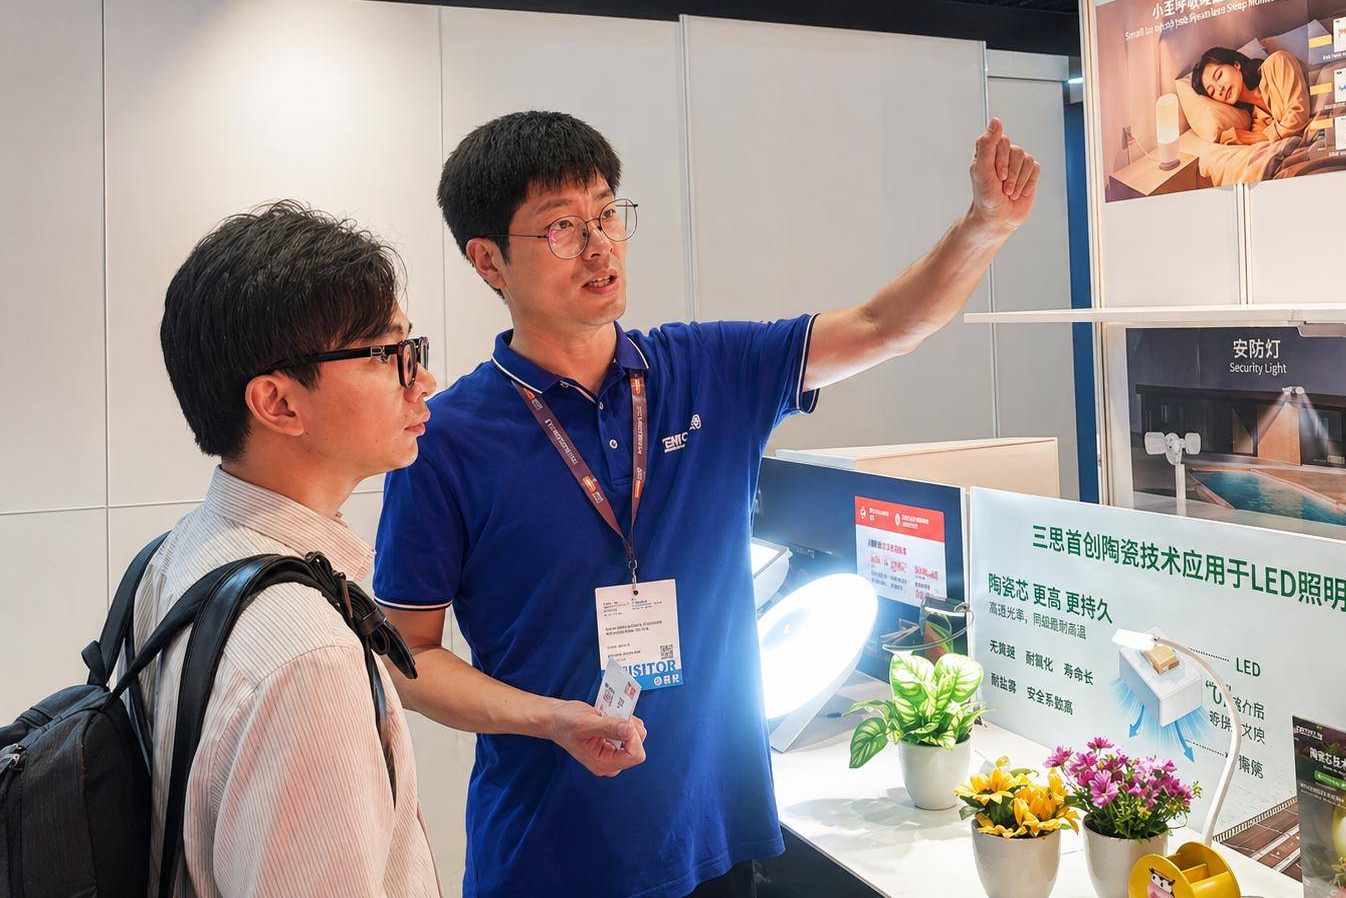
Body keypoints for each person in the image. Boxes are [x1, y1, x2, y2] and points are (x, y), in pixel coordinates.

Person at [373, 110, 1040, 897]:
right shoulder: (445, 439)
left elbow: (884, 326)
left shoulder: (707, 368)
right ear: (488, 260)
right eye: (561, 228)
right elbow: (407, 657)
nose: (599, 245)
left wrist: (984, 227)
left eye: (606, 213)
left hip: (715, 834)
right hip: (548, 853)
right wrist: (549, 717)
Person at [135, 201, 445, 897]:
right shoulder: (310, 658)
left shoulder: (174, 554)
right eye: (388, 355)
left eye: (413, 348)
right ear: (278, 403)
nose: (422, 380)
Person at [1190, 46, 1312, 145]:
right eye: (1212, 92)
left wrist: (1257, 137)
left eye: (1219, 76)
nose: (1219, 89)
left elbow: (1299, 115)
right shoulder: (1257, 120)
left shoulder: (1277, 62)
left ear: (1236, 65)